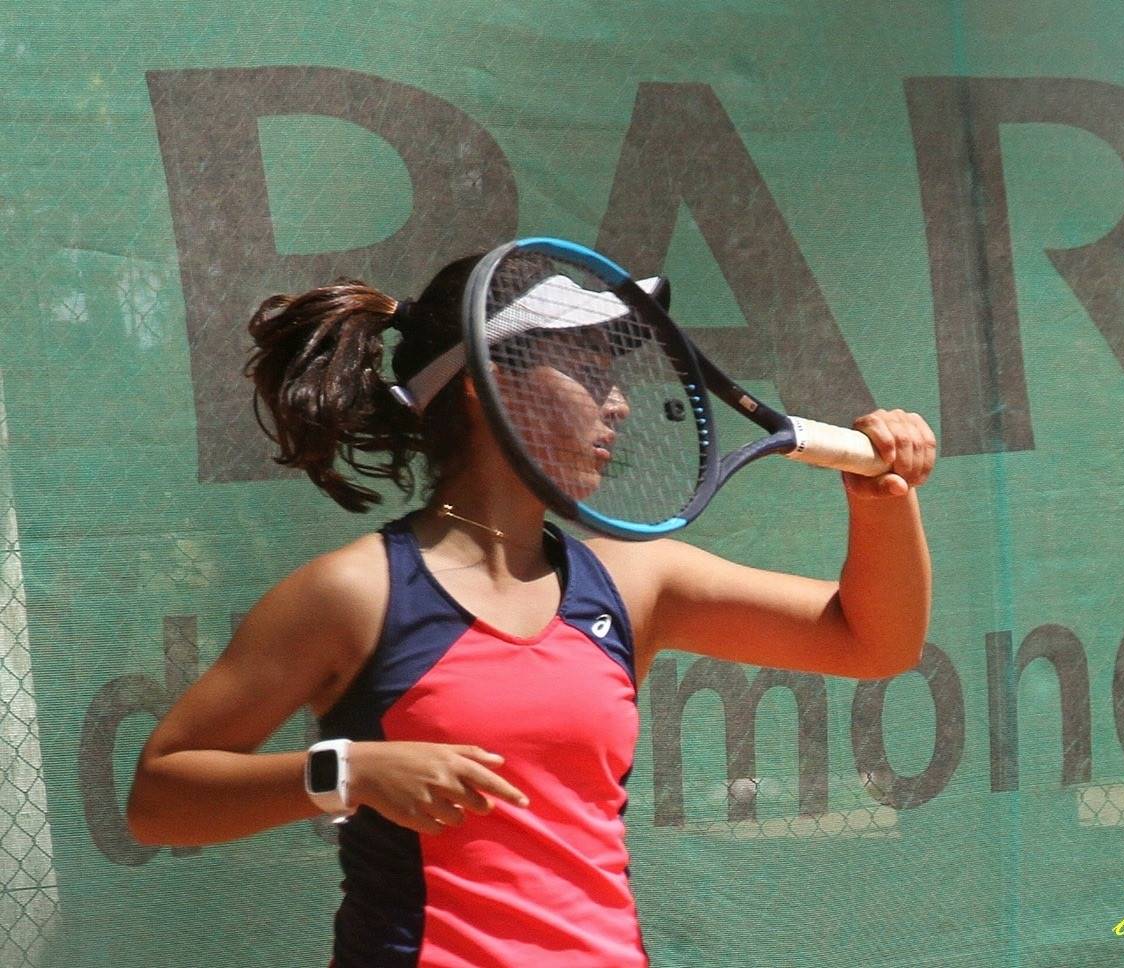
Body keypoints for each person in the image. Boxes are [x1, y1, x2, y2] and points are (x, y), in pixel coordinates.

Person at [126, 250, 936, 967]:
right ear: (485, 386)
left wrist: (885, 502)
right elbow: (160, 798)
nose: (618, 403)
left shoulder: (635, 582)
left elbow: (874, 642)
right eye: (586, 369)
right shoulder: (353, 594)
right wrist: (351, 771)